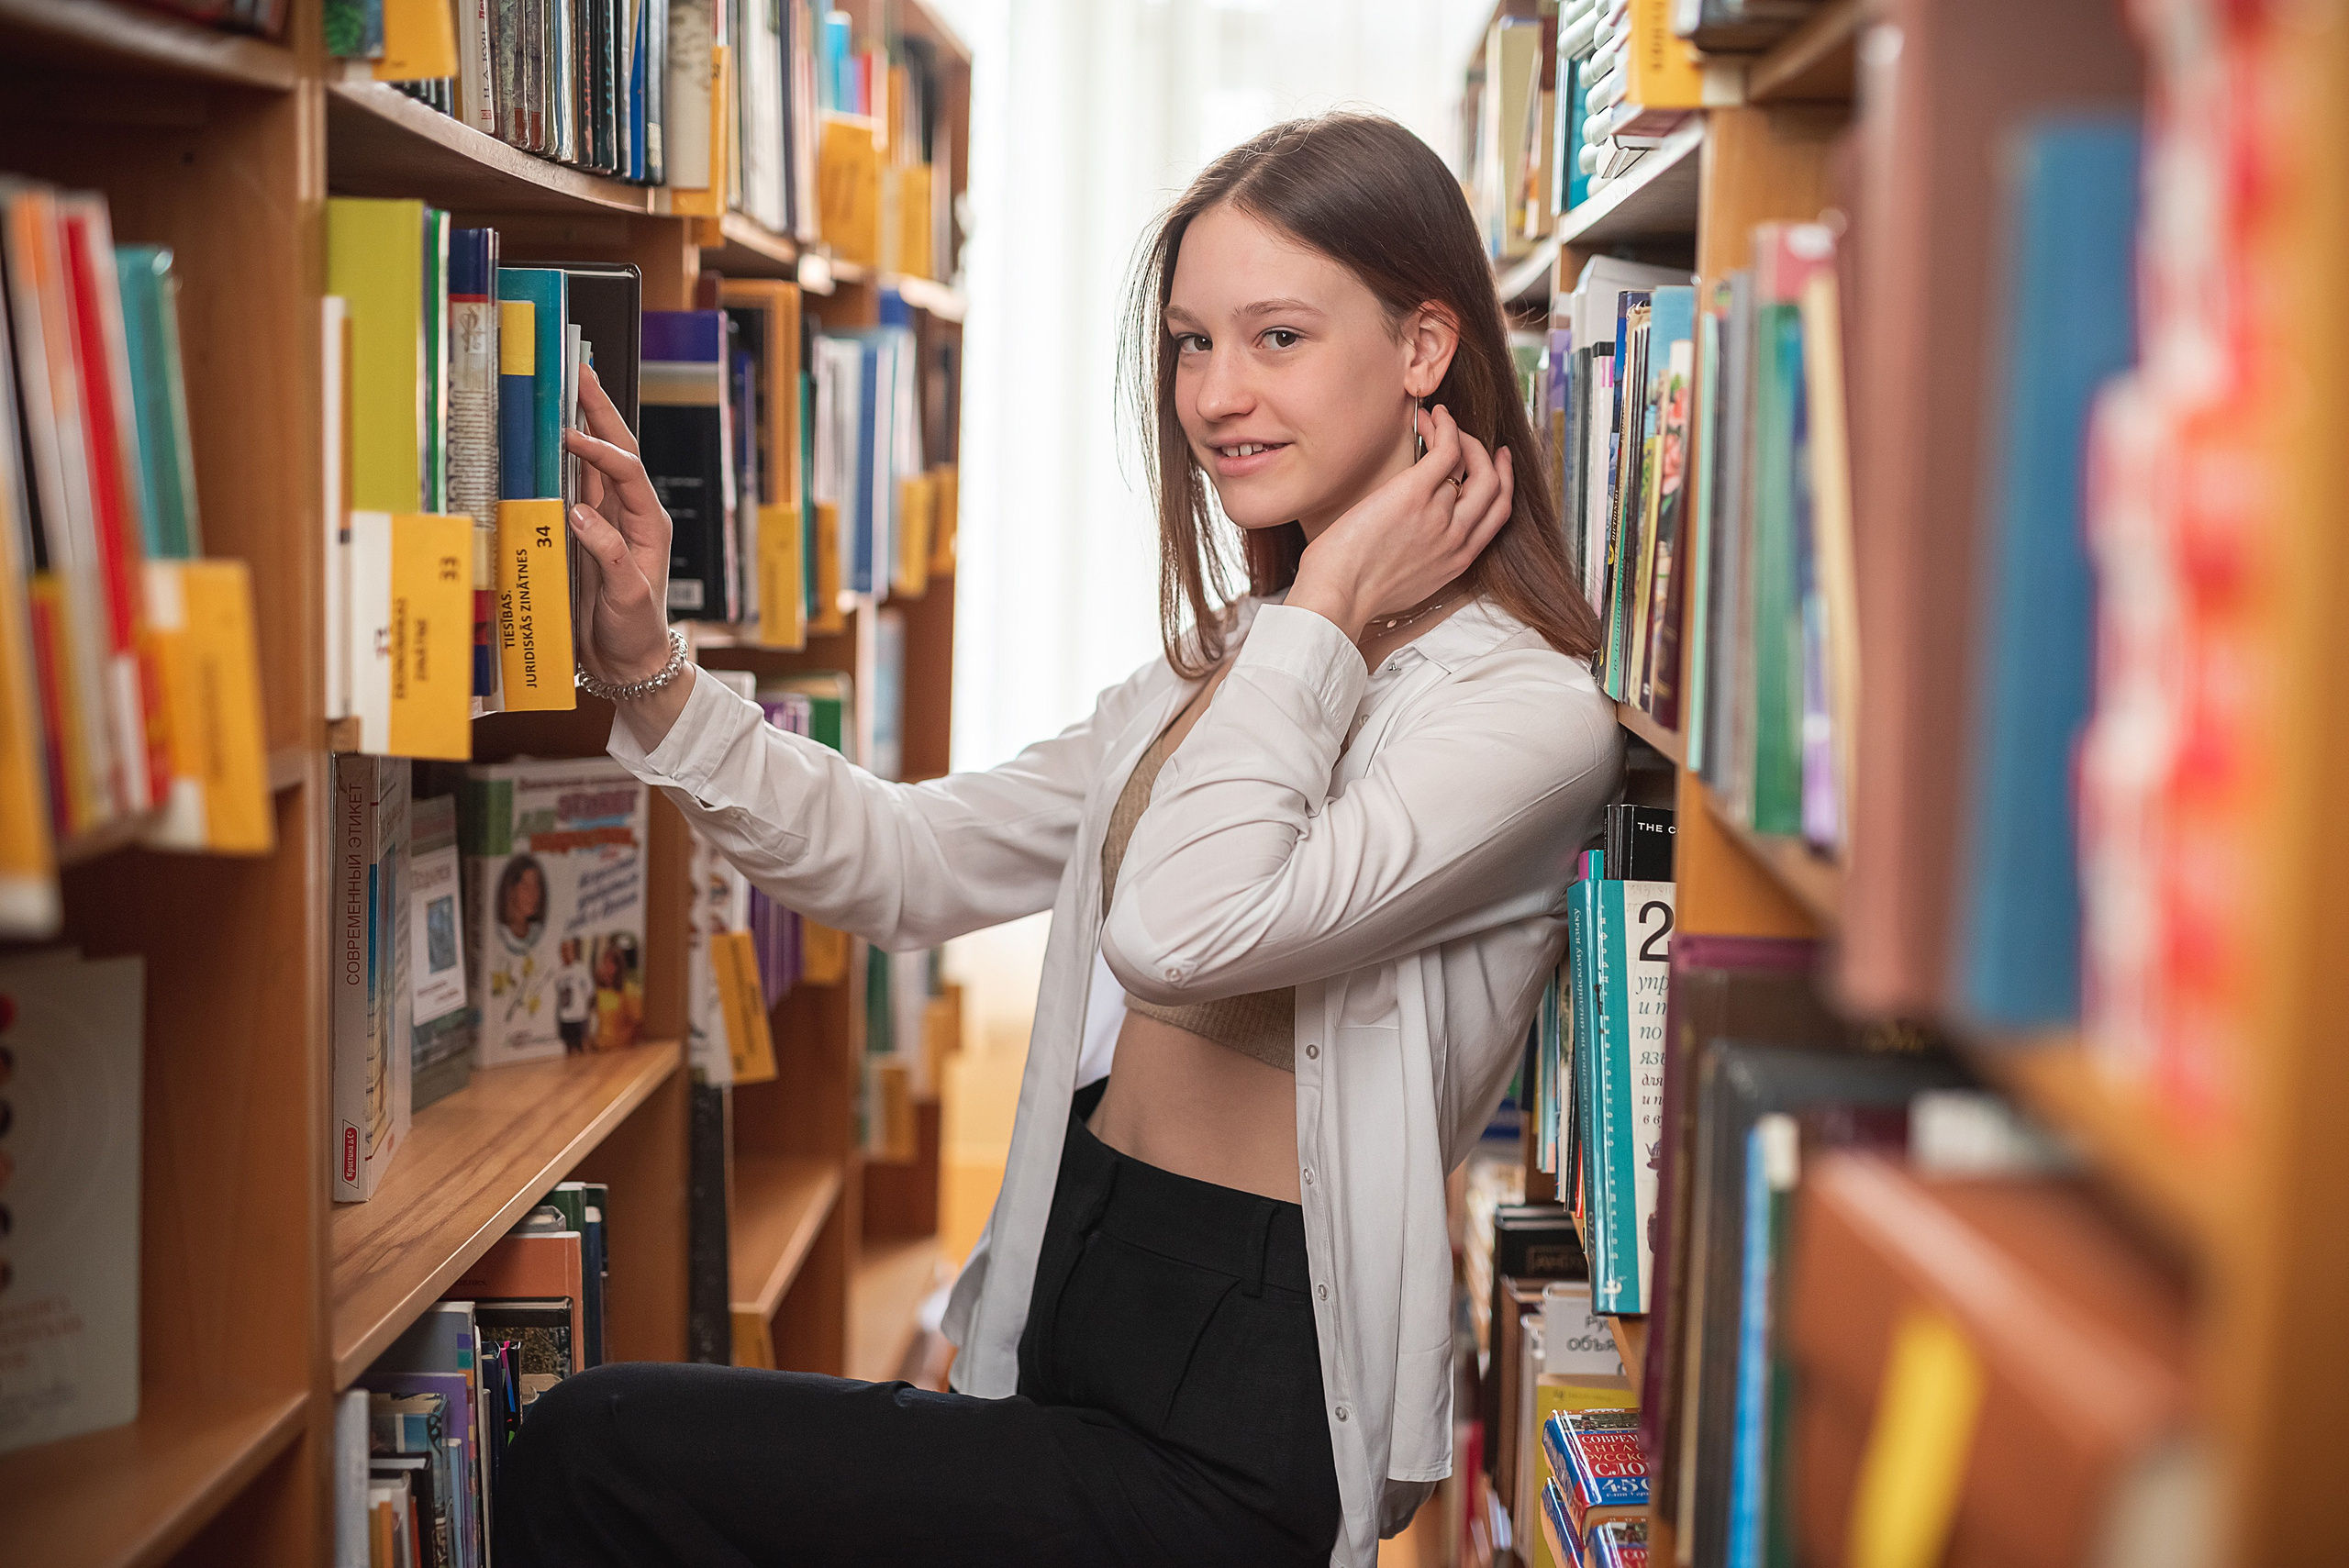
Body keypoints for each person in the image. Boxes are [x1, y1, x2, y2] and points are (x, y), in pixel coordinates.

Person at [505, 111, 1620, 1568]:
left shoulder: (1522, 713)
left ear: (1424, 349)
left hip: (1243, 1395)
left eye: (1275, 336)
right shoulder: (1223, 664)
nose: (1215, 394)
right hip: (1074, 1277)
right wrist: (651, 655)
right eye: (1188, 343)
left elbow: (1185, 928)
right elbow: (908, 864)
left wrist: (1328, 600)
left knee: (598, 1453)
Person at [552, 939, 593, 1056]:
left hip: (580, 1017)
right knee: (569, 1049)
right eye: (563, 950)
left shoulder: (581, 969)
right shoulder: (558, 973)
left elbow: (589, 991)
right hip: (565, 1018)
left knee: (584, 1047)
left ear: (573, 951)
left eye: (568, 949)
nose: (566, 953)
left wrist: (580, 1004)